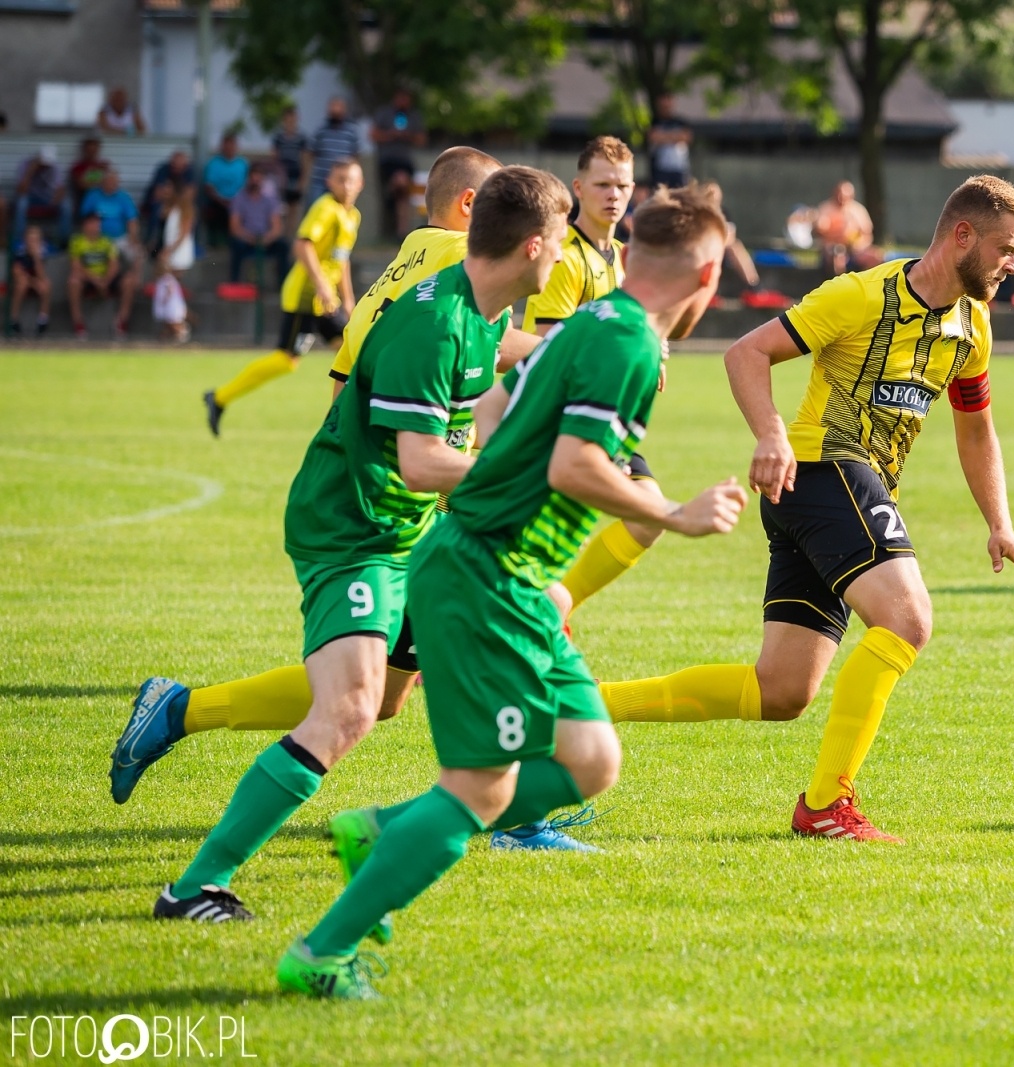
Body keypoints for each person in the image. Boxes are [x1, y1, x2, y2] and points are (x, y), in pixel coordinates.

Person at [276, 184, 746, 999]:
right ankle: (320, 952)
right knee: (483, 786)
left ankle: (386, 830)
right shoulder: (627, 342)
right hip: (485, 574)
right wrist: (676, 511)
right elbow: (573, 466)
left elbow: (493, 413)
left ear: (630, 255)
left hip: (510, 575)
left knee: (591, 758)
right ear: (706, 280)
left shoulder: (595, 324)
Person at [126, 166, 568, 933]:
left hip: (410, 529)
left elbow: (495, 368)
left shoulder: (484, 308)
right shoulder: (435, 320)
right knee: (350, 707)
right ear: (533, 245)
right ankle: (196, 885)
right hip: (354, 526)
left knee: (397, 692)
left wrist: (569, 359)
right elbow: (421, 460)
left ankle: (184, 711)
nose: (563, 259)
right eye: (560, 244)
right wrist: (526, 476)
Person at [598, 175, 1014, 842]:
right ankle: (828, 804)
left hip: (841, 491)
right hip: (826, 467)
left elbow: (976, 428)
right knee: (908, 617)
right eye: (1006, 249)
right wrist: (771, 436)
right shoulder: (861, 294)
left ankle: (579, 706)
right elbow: (747, 352)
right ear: (962, 235)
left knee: (783, 690)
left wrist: (999, 522)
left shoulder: (973, 326)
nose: (1013, 264)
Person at [492, 135, 656, 852]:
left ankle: (517, 805)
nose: (614, 195)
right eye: (601, 185)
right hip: (559, 431)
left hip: (591, 425)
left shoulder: (615, 257)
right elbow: (540, 349)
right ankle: (512, 812)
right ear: (577, 187)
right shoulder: (565, 261)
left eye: (623, 185)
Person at [203, 159, 362, 433]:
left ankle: (345, 422)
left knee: (353, 350)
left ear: (361, 184)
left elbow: (342, 259)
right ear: (329, 182)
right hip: (306, 296)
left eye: (351, 180)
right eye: (340, 179)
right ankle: (218, 397)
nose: (346, 186)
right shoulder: (326, 207)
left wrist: (348, 300)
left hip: (326, 300)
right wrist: (323, 286)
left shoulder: (353, 215)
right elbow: (302, 245)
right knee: (288, 360)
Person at [67, 213, 135, 341]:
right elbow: (76, 266)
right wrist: (95, 280)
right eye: (93, 222)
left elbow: (114, 265)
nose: (97, 225)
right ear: (85, 225)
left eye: (98, 222)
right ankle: (79, 323)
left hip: (106, 278)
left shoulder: (107, 241)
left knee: (129, 280)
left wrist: (105, 281)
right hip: (88, 279)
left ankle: (121, 322)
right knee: (73, 281)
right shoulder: (77, 241)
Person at [370, 89, 427, 239]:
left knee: (403, 193)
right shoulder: (385, 113)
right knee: (399, 189)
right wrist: (390, 135)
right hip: (387, 161)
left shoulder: (414, 116)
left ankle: (401, 231)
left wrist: (407, 136)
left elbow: (421, 139)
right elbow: (373, 134)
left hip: (405, 161)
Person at [228, 163, 288, 286]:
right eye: (253, 177)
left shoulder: (270, 199)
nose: (255, 181)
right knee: (236, 245)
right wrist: (249, 238)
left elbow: (277, 226)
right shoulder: (239, 198)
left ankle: (282, 285)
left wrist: (267, 238)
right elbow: (234, 227)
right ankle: (234, 284)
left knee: (283, 246)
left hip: (266, 240)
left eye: (258, 178)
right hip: (246, 239)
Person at [79, 168, 142, 277]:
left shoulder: (124, 197)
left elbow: (132, 220)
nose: (114, 185)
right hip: (97, 238)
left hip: (119, 237)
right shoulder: (92, 195)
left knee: (138, 253)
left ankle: (135, 282)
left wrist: (133, 238)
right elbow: (85, 219)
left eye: (116, 182)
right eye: (111, 182)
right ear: (103, 182)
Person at [814, 180, 879, 277]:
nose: (841, 198)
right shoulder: (826, 208)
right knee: (837, 257)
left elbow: (867, 233)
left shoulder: (858, 210)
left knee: (876, 257)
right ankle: (838, 287)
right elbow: (819, 231)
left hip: (856, 248)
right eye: (839, 195)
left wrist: (858, 244)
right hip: (834, 247)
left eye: (845, 195)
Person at [308, 98, 362, 201]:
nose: (336, 110)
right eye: (333, 107)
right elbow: (311, 153)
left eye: (339, 107)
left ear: (344, 110)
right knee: (315, 210)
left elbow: (356, 156)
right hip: (320, 181)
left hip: (343, 183)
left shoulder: (351, 132)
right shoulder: (320, 130)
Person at [201, 132, 249, 247]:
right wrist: (221, 200)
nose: (229, 149)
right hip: (218, 201)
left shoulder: (243, 164)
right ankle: (218, 243)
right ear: (222, 147)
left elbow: (248, 185)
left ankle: (241, 241)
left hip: (239, 200)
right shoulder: (213, 164)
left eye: (232, 146)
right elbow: (208, 187)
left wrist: (237, 200)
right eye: (227, 146)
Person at [13, 144, 67, 245]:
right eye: (43, 163)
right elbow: (21, 191)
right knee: (21, 203)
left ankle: (63, 241)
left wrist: (57, 198)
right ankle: (19, 240)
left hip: (47, 197)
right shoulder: (25, 164)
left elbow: (60, 189)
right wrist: (30, 171)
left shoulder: (55, 167)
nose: (45, 166)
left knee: (66, 205)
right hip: (30, 197)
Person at [7, 225, 51, 338]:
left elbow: (42, 275)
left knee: (46, 285)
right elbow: (17, 272)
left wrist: (36, 257)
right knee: (22, 284)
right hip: (22, 280)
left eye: (36, 240)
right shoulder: (19, 251)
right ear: (25, 240)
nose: (32, 243)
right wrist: (33, 282)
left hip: (35, 279)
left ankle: (42, 320)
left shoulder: (42, 251)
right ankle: (13, 319)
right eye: (30, 239)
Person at [271, 106, 309, 229]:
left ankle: (289, 239)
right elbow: (274, 158)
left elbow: (304, 160)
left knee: (293, 210)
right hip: (282, 176)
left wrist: (302, 181)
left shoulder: (301, 138)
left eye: (292, 118)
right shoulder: (278, 137)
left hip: (295, 176)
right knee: (280, 209)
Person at [646, 94, 693, 189]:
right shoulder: (655, 122)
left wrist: (664, 137)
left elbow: (687, 137)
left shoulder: (680, 122)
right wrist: (675, 137)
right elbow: (653, 137)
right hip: (661, 169)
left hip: (679, 169)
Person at [68, 137, 108, 219]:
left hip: (103, 200)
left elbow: (109, 185)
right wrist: (96, 174)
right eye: (90, 150)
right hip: (83, 200)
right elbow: (82, 185)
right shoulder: (78, 167)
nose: (92, 153)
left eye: (94, 150)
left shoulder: (103, 165)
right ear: (84, 150)